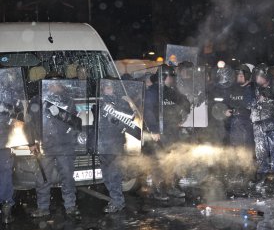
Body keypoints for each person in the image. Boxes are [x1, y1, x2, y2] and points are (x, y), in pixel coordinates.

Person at [26, 77, 81, 217]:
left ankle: (71, 206)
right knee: (43, 178)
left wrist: (73, 138)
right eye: (52, 84)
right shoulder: (37, 101)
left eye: (57, 84)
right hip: (45, 146)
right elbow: (30, 124)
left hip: (65, 145)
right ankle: (43, 208)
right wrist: (32, 143)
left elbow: (75, 123)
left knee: (67, 177)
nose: (55, 87)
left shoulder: (68, 101)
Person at [143, 64, 190, 201]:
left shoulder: (170, 91)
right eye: (171, 76)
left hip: (171, 132)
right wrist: (154, 129)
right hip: (158, 133)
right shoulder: (152, 92)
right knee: (158, 161)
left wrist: (182, 113)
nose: (173, 79)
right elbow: (148, 111)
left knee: (172, 160)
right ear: (164, 77)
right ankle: (157, 189)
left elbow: (185, 102)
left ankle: (171, 187)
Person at [91, 80, 133, 213]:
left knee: (114, 175)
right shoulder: (100, 102)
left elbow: (130, 117)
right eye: (105, 88)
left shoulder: (121, 102)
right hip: (102, 144)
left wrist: (115, 110)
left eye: (110, 88)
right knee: (107, 176)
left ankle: (118, 202)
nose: (108, 90)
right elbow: (95, 122)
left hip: (115, 144)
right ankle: (115, 199)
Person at [0, 69, 24, 223]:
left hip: (3, 140)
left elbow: (17, 111)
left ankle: (6, 203)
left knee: (5, 171)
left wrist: (11, 121)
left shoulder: (8, 92)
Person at [224, 64, 254, 148]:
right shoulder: (232, 89)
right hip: (233, 125)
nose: (240, 76)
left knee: (246, 151)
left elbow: (252, 106)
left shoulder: (253, 89)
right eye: (238, 74)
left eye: (242, 74)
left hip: (248, 125)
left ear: (248, 75)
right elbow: (225, 103)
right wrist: (225, 110)